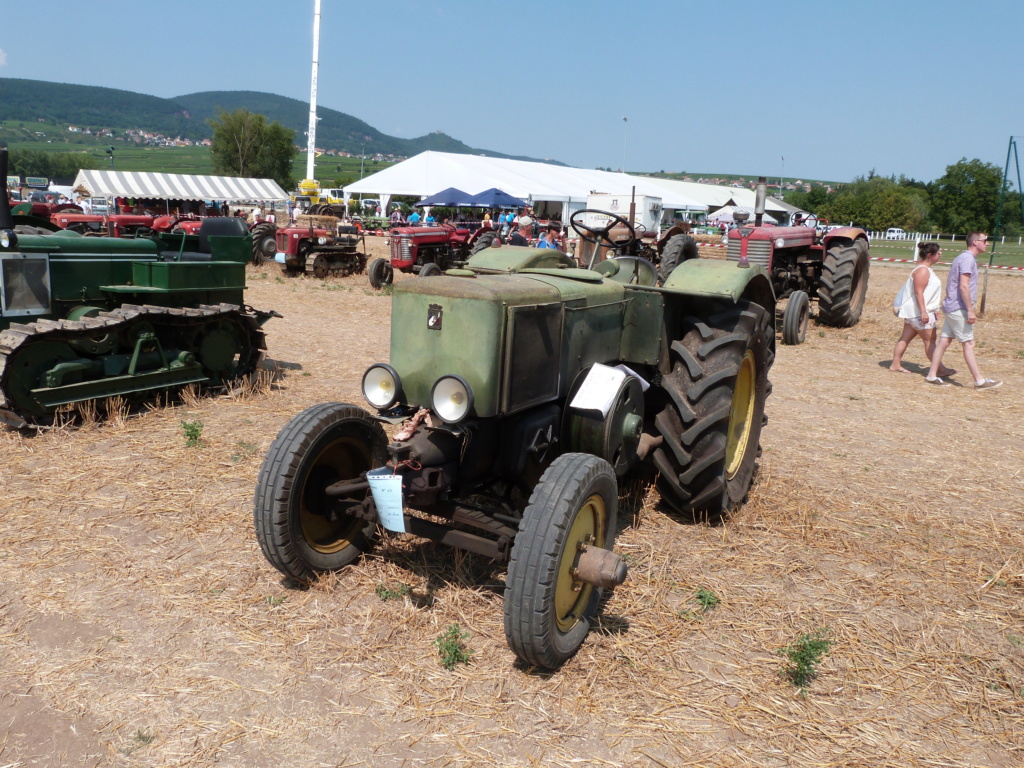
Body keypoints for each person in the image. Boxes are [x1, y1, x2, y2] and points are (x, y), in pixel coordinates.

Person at [925, 232, 1002, 389]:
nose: (987, 243)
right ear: (975, 242)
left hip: (951, 306)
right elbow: (963, 286)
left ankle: (932, 375)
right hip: (958, 308)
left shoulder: (963, 258)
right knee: (968, 343)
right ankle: (979, 381)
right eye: (985, 240)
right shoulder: (967, 259)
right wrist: (970, 310)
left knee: (945, 341)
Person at [890, 242, 948, 374]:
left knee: (905, 338)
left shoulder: (924, 269)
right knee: (930, 341)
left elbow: (926, 293)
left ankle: (895, 364)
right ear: (930, 255)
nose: (940, 255)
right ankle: (940, 369)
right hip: (919, 312)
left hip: (914, 312)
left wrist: (934, 309)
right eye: (938, 253)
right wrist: (924, 312)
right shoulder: (922, 271)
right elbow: (918, 292)